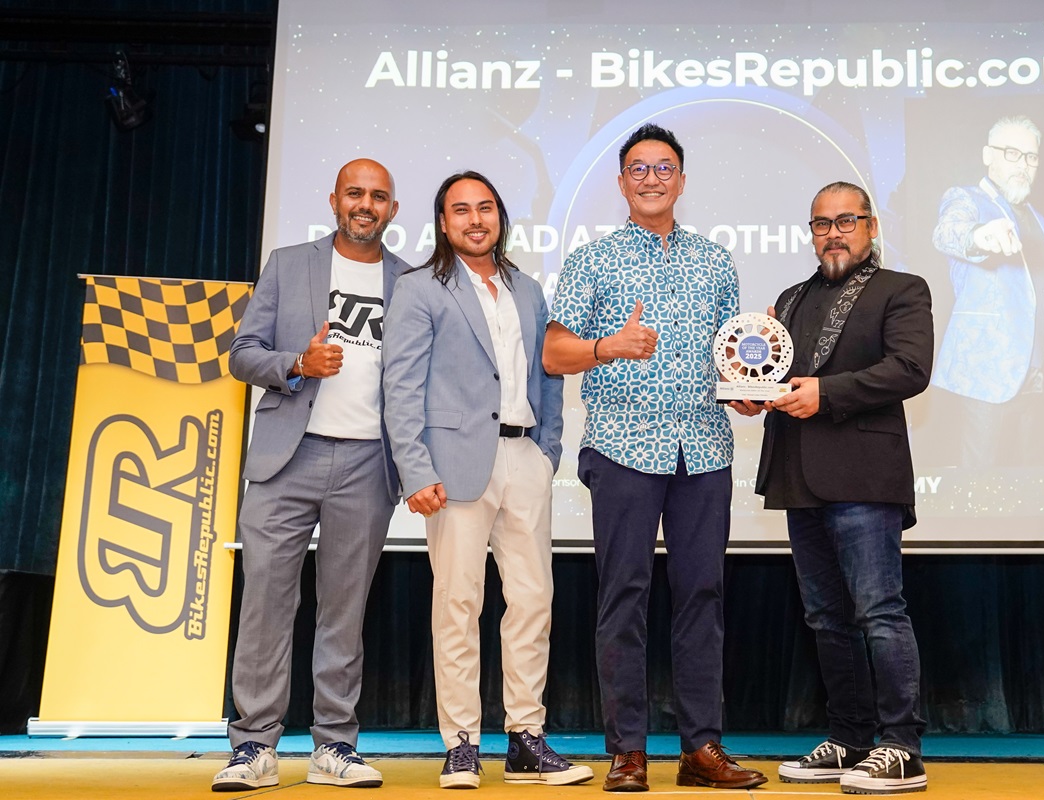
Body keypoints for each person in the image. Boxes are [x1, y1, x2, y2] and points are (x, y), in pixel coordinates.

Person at [544, 123, 766, 793]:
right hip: (622, 447)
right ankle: (628, 753)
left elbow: (730, 361)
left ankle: (702, 750)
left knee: (703, 596)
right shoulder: (593, 260)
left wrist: (747, 391)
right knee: (624, 597)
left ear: (682, 180)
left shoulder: (715, 261)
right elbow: (553, 352)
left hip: (704, 450)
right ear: (620, 183)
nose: (651, 178)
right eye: (638, 169)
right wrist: (608, 347)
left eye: (663, 167)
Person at [382, 172, 589, 790]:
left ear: (500, 217)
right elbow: (401, 386)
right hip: (452, 468)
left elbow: (548, 375)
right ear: (443, 223)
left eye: (486, 208)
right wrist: (416, 469)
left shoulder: (528, 289)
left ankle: (526, 739)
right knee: (458, 604)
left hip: (525, 457)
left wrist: (547, 452)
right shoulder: (419, 288)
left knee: (532, 600)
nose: (476, 219)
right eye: (461, 210)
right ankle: (462, 744)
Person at [213, 159, 407, 791]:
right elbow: (242, 355)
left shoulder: (412, 282)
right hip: (285, 460)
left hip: (368, 464)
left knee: (344, 613)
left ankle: (334, 747)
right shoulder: (288, 264)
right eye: (355, 193)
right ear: (334, 200)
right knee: (266, 604)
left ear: (392, 209)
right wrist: (298, 362)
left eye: (378, 196)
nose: (365, 204)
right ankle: (253, 746)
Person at [733, 181, 933, 794]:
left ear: (871, 226)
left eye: (846, 221)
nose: (833, 234)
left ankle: (902, 747)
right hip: (799, 474)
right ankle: (849, 738)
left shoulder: (903, 289)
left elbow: (910, 369)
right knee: (826, 617)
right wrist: (754, 391)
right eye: (822, 224)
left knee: (878, 611)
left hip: (865, 476)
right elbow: (778, 374)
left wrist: (827, 392)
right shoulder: (790, 299)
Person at [931, 115, 1044, 466]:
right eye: (1012, 153)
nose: (1023, 165)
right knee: (981, 486)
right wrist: (979, 236)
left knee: (1039, 485)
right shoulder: (966, 199)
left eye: (1031, 157)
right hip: (987, 379)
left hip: (1043, 379)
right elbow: (947, 232)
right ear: (988, 155)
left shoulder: (1042, 221)